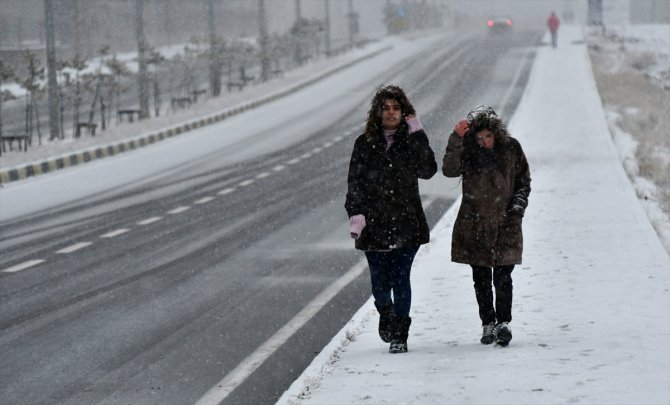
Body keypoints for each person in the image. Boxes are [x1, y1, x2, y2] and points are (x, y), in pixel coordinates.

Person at [345, 85, 437, 353]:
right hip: (373, 225)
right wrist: (355, 213)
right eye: (385, 108)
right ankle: (386, 312)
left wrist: (417, 132)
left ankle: (400, 335)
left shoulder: (411, 140)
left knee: (401, 278)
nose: (391, 113)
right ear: (378, 112)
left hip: (407, 222)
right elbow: (354, 184)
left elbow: (428, 170)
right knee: (380, 283)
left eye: (396, 108)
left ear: (404, 111)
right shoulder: (364, 144)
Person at [442, 106, 530, 346]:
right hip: (475, 225)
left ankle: (503, 322)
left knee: (503, 277)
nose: (485, 142)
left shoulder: (512, 149)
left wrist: (518, 206)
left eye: (488, 136)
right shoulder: (468, 153)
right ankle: (487, 323)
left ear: (496, 133)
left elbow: (523, 180)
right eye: (479, 138)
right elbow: (449, 170)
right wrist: (456, 138)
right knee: (480, 279)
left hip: (506, 223)